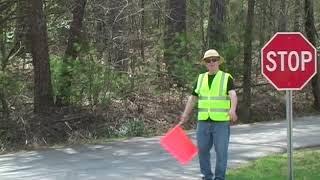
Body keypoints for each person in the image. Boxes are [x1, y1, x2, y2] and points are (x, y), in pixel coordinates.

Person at [178, 49, 238, 180]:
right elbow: (193, 98)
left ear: (218, 61)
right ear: (205, 63)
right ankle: (207, 176)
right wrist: (185, 114)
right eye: (208, 60)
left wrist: (232, 109)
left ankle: (219, 177)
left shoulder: (226, 77)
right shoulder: (201, 78)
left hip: (221, 122)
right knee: (203, 151)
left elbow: (233, 94)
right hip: (203, 122)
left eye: (214, 60)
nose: (211, 62)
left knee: (221, 152)